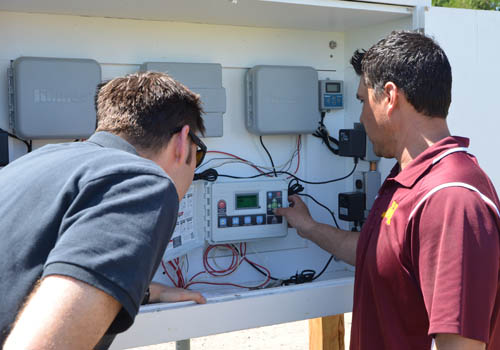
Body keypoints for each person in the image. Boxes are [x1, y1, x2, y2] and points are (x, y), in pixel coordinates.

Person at [276, 31, 500, 349]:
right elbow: (379, 253)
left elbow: (461, 345)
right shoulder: (407, 179)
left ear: (390, 97)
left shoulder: (451, 200)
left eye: (363, 102)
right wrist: (309, 227)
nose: (362, 117)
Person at [0, 71, 208, 350]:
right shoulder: (143, 183)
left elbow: (24, 270)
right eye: (199, 153)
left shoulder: (34, 162)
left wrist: (143, 292)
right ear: (183, 143)